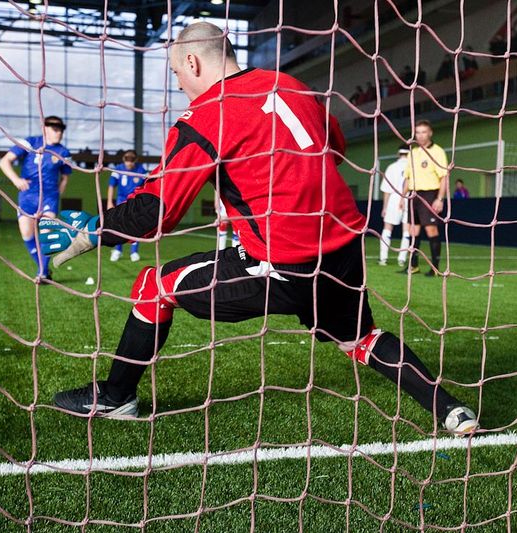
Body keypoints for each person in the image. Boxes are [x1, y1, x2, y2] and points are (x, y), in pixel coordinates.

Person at [38, 22, 478, 436]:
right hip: (343, 249)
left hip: (282, 262)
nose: (178, 84)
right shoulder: (294, 86)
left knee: (154, 287)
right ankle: (451, 411)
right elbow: (333, 151)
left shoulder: (206, 115)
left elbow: (157, 214)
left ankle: (116, 396)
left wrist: (91, 231)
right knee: (361, 338)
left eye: (176, 73)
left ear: (192, 64)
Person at [0, 115, 72, 279]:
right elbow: (4, 161)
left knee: (46, 231)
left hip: (49, 197)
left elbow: (66, 176)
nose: (58, 133)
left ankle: (43, 273)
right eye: (55, 129)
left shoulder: (63, 152)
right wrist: (16, 179)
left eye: (60, 130)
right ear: (44, 128)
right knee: (26, 233)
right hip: (28, 195)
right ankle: (44, 268)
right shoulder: (30, 143)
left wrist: (59, 190)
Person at [401, 119, 448, 277]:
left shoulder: (438, 151)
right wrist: (402, 197)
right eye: (418, 132)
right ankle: (413, 265)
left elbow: (444, 177)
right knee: (413, 231)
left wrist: (439, 199)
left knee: (431, 230)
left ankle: (435, 268)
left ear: (430, 133)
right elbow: (407, 177)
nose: (420, 135)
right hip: (413, 195)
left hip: (430, 194)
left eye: (423, 132)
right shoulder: (413, 152)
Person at [106, 150, 147, 262]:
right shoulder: (117, 169)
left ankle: (134, 252)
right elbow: (111, 186)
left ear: (136, 160)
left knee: (136, 226)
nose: (129, 163)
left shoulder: (141, 170)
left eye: (132, 160)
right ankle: (118, 250)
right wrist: (110, 202)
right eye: (127, 159)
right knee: (120, 226)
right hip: (121, 201)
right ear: (123, 159)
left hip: (136, 203)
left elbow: (146, 187)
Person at [378, 146, 410, 267]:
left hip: (394, 197)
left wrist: (385, 207)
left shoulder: (391, 167)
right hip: (409, 197)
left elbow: (386, 189)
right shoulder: (412, 167)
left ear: (398, 154)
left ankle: (383, 258)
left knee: (387, 228)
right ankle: (402, 259)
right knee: (407, 231)